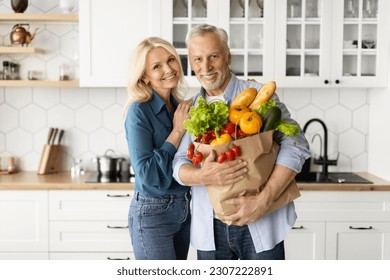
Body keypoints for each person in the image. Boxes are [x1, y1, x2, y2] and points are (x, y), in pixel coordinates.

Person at [172, 24, 311, 260]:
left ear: (228, 56)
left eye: (213, 56)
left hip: (262, 220)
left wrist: (263, 201)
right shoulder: (191, 108)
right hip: (210, 228)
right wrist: (203, 176)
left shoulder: (258, 94)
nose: (205, 67)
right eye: (197, 59)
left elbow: (296, 144)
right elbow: (179, 162)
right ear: (191, 63)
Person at [123, 37, 193, 260]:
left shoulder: (179, 107)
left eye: (171, 60)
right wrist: (177, 132)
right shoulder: (139, 111)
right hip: (153, 212)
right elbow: (147, 173)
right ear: (144, 76)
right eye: (156, 66)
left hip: (184, 208)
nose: (169, 69)